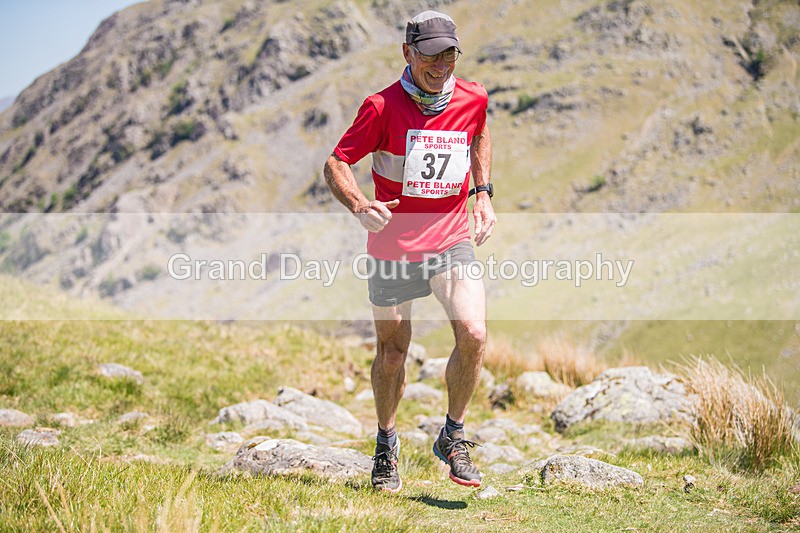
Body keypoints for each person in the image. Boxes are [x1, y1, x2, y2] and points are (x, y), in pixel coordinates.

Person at [323, 10, 495, 493]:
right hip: (392, 245)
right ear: (407, 53)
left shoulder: (472, 96)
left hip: (449, 238)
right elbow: (336, 162)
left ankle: (453, 435)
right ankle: (385, 443)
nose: (441, 64)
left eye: (449, 53)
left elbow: (479, 130)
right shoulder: (379, 107)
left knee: (474, 333)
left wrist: (483, 192)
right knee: (394, 354)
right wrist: (359, 203)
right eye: (430, 54)